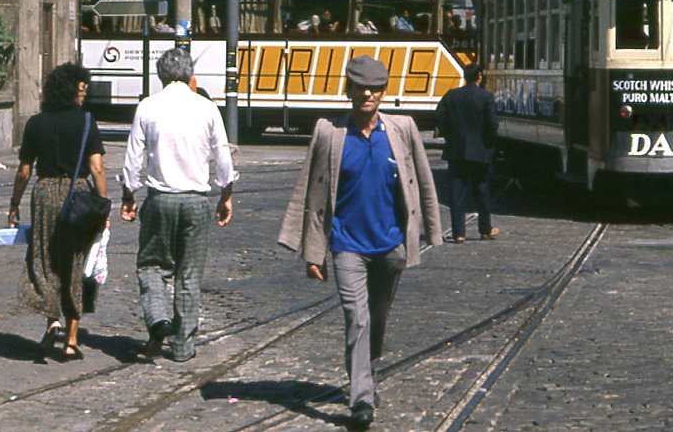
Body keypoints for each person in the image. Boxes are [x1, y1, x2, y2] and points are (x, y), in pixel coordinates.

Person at [278, 55, 442, 430]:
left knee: (377, 318)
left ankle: (367, 369)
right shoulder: (328, 131)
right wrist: (311, 252)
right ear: (347, 89)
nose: (367, 94)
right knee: (357, 318)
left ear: (384, 92)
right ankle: (361, 400)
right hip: (347, 246)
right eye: (360, 87)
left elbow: (424, 183)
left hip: (390, 246)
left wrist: (428, 231)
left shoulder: (402, 129)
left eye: (375, 88)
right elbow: (310, 192)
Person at [120, 48, 238, 363]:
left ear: (161, 76)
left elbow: (133, 158)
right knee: (188, 274)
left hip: (160, 200)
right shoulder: (207, 108)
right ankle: (183, 346)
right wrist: (226, 194)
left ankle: (158, 321)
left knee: (151, 265)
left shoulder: (147, 107)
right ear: (189, 75)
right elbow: (223, 155)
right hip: (196, 202)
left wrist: (129, 194)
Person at [8, 63, 109, 361]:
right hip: (77, 195)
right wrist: (102, 206)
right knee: (75, 262)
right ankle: (72, 340)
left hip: (43, 193)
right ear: (71, 90)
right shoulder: (86, 121)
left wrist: (14, 203)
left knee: (43, 257)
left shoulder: (35, 123)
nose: (84, 94)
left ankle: (51, 320)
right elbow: (97, 168)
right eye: (81, 89)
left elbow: (24, 172)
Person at [434, 63, 499, 243]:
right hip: (481, 152)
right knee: (482, 191)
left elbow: (438, 117)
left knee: (457, 193)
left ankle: (458, 233)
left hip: (456, 152)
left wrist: (449, 134)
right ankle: (485, 229)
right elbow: (493, 124)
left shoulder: (452, 95)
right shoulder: (486, 97)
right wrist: (488, 143)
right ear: (479, 76)